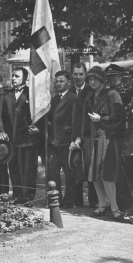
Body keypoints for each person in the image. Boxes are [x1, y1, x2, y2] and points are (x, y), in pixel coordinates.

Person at [77, 66, 129, 222]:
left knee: (106, 174)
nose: (92, 82)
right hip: (91, 140)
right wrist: (81, 137)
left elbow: (119, 116)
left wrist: (101, 119)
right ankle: (101, 204)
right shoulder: (89, 97)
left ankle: (115, 208)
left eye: (95, 79)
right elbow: (83, 120)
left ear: (102, 80)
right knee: (94, 175)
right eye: (90, 79)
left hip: (107, 139)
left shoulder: (112, 95)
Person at [0, 67, 40, 207]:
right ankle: (17, 195)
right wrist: (1, 131)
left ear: (25, 78)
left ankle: (28, 197)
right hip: (10, 140)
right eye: (13, 76)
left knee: (29, 170)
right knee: (13, 168)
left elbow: (41, 114)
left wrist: (39, 129)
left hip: (28, 140)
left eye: (17, 76)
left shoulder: (31, 94)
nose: (13, 79)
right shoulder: (5, 95)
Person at [47, 71, 81, 209]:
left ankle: (68, 201)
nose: (58, 84)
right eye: (57, 81)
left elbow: (76, 121)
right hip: (54, 141)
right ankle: (57, 199)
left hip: (67, 141)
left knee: (69, 173)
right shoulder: (55, 99)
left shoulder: (73, 98)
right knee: (53, 172)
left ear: (69, 83)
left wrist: (75, 140)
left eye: (61, 81)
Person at [69, 63, 96, 208]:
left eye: (81, 74)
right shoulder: (69, 91)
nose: (78, 77)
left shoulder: (91, 91)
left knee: (90, 167)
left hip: (88, 135)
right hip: (72, 135)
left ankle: (93, 201)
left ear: (85, 75)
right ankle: (77, 200)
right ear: (72, 75)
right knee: (75, 165)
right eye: (75, 74)